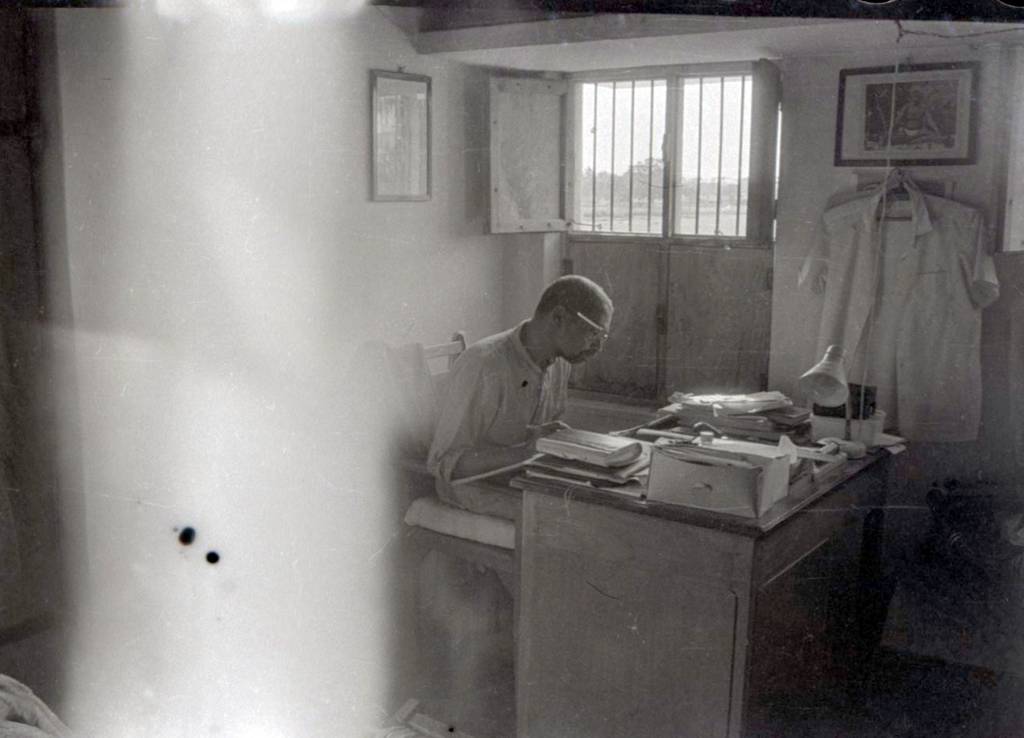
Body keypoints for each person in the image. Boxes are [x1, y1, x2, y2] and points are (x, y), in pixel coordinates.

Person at [427, 274, 614, 521]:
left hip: (521, 478)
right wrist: (528, 452)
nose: (598, 347)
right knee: (573, 521)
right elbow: (445, 464)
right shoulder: (484, 364)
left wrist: (552, 441)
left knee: (602, 506)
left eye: (602, 337)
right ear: (558, 317)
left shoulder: (560, 363)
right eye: (593, 333)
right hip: (472, 486)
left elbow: (534, 436)